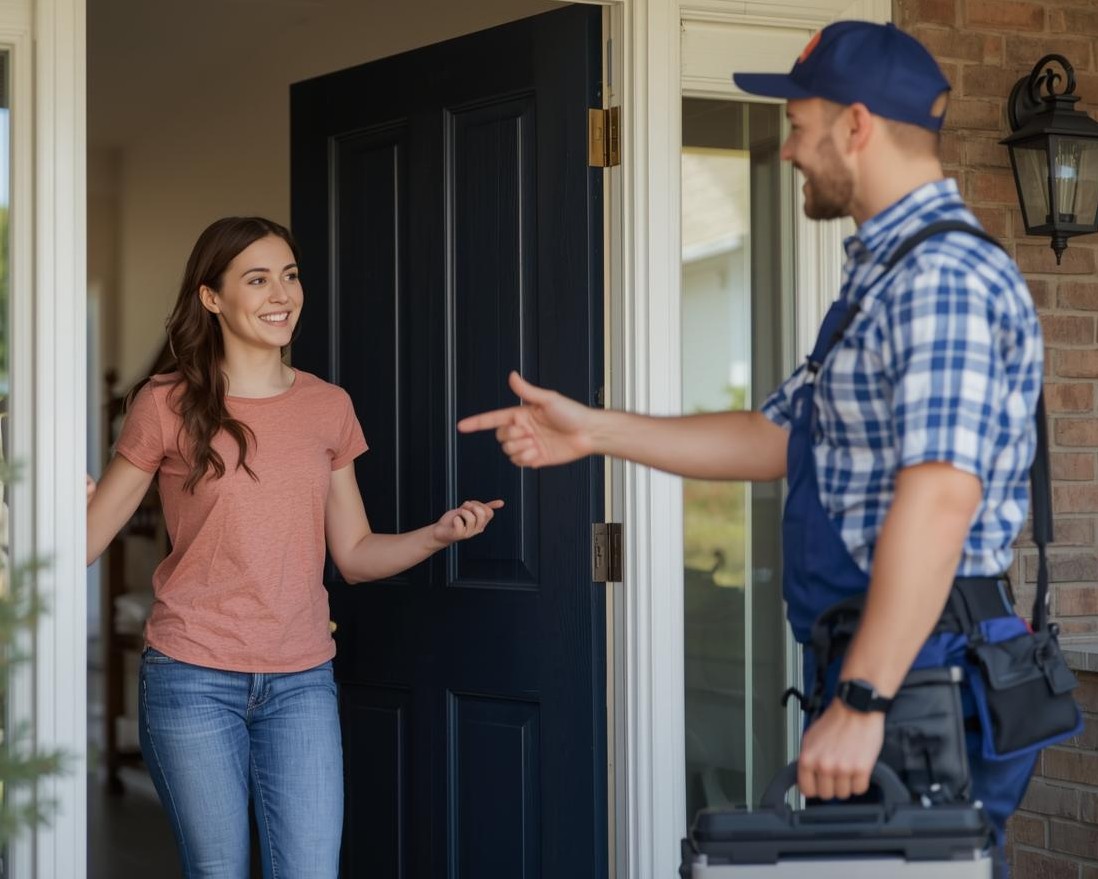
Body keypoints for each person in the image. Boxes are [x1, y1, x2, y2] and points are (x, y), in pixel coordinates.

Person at [458, 20, 1054, 861]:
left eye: (799, 126)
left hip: (925, 674)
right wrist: (591, 431)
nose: (787, 151)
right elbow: (775, 434)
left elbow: (941, 494)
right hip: (889, 667)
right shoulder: (884, 275)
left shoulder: (940, 279)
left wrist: (863, 698)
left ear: (856, 125)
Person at [86, 216, 503, 878]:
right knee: (218, 869)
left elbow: (356, 554)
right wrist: (51, 504)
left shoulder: (327, 406)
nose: (282, 293)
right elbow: (86, 539)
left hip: (301, 679)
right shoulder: (165, 402)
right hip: (193, 674)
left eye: (290, 275)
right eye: (257, 279)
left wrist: (438, 534)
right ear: (211, 297)